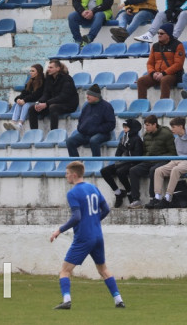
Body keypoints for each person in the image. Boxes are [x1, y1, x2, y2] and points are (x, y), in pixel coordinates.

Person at [49, 161, 124, 310]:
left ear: (74, 175)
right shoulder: (93, 188)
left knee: (65, 270)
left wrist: (59, 230)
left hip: (83, 237)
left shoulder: (72, 193)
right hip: (97, 235)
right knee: (103, 269)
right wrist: (95, 221)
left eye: (67, 174)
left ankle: (66, 300)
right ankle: (118, 300)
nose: (66, 176)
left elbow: (76, 217)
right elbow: (106, 209)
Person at [148, 116, 187, 209]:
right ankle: (157, 197)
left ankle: (167, 197)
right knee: (158, 170)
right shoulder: (176, 139)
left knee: (176, 170)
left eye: (173, 127)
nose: (172, 130)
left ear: (181, 126)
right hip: (179, 160)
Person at [126, 115, 177, 208]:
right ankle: (136, 199)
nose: (146, 128)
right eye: (145, 125)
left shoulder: (166, 134)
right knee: (133, 170)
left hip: (163, 160)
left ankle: (153, 198)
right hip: (149, 160)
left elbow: (173, 153)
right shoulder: (146, 135)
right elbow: (145, 151)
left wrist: (159, 157)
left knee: (153, 170)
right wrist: (146, 158)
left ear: (155, 124)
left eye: (148, 125)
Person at [135, 23, 186, 101]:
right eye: (158, 33)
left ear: (168, 34)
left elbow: (178, 64)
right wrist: (153, 73)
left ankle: (163, 104)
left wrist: (164, 73)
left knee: (164, 80)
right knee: (141, 81)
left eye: (161, 33)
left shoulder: (178, 45)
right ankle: (142, 104)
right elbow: (150, 63)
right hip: (157, 74)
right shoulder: (155, 46)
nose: (159, 35)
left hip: (173, 75)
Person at [101, 118, 144, 208]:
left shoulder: (137, 139)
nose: (124, 129)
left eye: (126, 127)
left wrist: (126, 152)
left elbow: (137, 156)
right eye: (123, 127)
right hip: (124, 162)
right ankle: (118, 193)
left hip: (133, 163)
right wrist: (120, 158)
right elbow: (118, 153)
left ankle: (129, 192)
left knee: (120, 171)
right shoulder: (123, 138)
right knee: (104, 171)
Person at [66, 83, 116, 159]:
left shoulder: (106, 106)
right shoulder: (86, 106)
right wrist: (81, 128)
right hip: (85, 134)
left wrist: (96, 129)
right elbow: (80, 120)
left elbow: (111, 124)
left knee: (94, 140)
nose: (87, 96)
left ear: (96, 96)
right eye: (87, 94)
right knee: (70, 141)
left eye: (90, 95)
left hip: (102, 134)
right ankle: (76, 164)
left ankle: (96, 163)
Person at [29, 58, 79, 132]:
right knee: (32, 108)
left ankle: (53, 133)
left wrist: (46, 104)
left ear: (58, 68)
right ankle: (34, 133)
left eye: (51, 67)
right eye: (48, 67)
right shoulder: (49, 78)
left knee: (53, 107)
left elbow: (63, 97)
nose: (48, 69)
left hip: (68, 104)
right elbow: (46, 94)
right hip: (53, 102)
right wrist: (39, 102)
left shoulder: (67, 79)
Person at [4, 63, 45, 131]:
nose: (30, 72)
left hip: (38, 102)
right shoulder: (30, 82)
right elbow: (24, 93)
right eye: (30, 71)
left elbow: (36, 95)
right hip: (29, 101)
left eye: (33, 71)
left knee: (26, 104)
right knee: (18, 104)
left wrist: (24, 100)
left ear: (38, 72)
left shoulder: (42, 82)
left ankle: (20, 124)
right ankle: (13, 122)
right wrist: (18, 99)